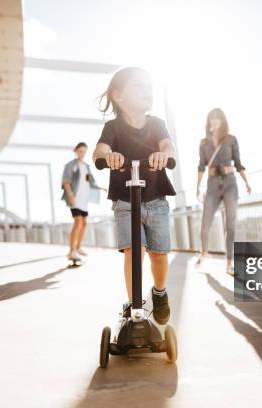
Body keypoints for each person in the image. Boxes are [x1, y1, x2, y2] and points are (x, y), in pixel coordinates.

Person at [92, 67, 176, 324]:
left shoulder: (156, 124)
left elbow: (167, 146)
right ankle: (135, 306)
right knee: (132, 252)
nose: (146, 91)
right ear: (118, 96)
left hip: (156, 200)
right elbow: (99, 152)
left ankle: (159, 293)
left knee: (159, 254)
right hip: (126, 202)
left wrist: (165, 155)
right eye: (139, 86)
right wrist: (109, 156)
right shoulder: (113, 127)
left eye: (148, 87)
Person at [196, 108, 251, 275]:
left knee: (231, 225)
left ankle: (229, 263)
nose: (214, 121)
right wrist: (197, 187)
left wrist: (246, 182)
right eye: (211, 118)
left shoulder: (231, 139)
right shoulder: (204, 142)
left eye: (217, 118)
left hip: (230, 183)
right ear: (208, 121)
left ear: (222, 120)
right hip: (212, 185)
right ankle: (204, 251)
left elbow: (238, 163)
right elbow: (201, 166)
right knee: (205, 225)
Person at [61, 142, 101, 261]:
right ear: (76, 151)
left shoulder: (87, 166)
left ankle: (78, 247)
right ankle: (71, 251)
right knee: (78, 222)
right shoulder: (71, 165)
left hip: (84, 200)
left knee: (84, 223)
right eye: (80, 151)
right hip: (75, 198)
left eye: (84, 151)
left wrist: (102, 188)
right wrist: (70, 196)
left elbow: (91, 182)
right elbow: (66, 181)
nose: (82, 153)